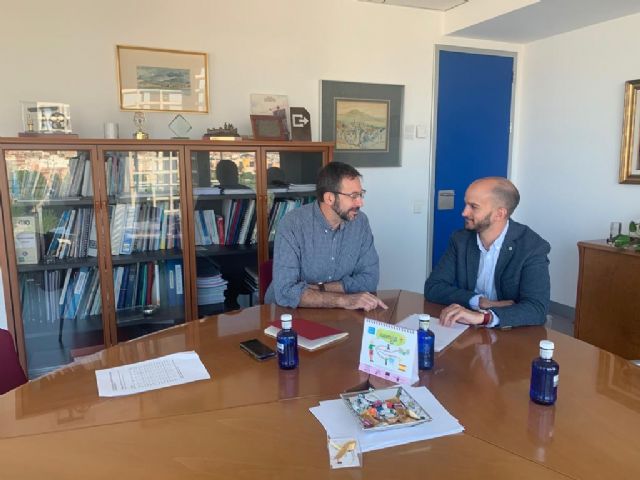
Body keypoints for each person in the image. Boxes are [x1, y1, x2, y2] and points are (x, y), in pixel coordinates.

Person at [424, 177, 550, 328]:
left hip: (511, 331)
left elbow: (537, 309)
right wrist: (479, 301)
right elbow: (433, 287)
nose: (464, 212)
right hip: (469, 327)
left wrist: (484, 317)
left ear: (499, 214)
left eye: (474, 207)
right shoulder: (461, 240)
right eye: (466, 204)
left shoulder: (532, 247)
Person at [265, 162, 387, 311]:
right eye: (354, 196)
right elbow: (286, 291)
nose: (360, 202)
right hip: (289, 312)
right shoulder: (293, 224)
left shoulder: (360, 222)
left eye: (361, 194)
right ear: (329, 198)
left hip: (340, 314)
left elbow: (370, 279)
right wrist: (344, 300)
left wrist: (320, 289)